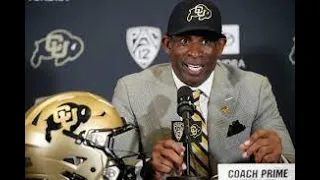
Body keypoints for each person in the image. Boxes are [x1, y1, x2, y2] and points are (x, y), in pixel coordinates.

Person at [112, 0, 295, 179]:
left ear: (221, 46)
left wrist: (277, 158)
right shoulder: (131, 90)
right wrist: (149, 169)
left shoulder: (254, 88)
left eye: (206, 41)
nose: (195, 52)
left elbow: (290, 161)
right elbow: (115, 168)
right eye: (184, 41)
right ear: (168, 44)